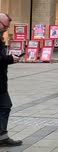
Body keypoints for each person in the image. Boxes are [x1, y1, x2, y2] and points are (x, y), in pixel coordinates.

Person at [0, 13, 21, 147]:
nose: (6, 30)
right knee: (5, 106)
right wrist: (9, 59)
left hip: (1, 82)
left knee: (5, 106)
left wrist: (9, 59)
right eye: (5, 26)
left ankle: (3, 136)